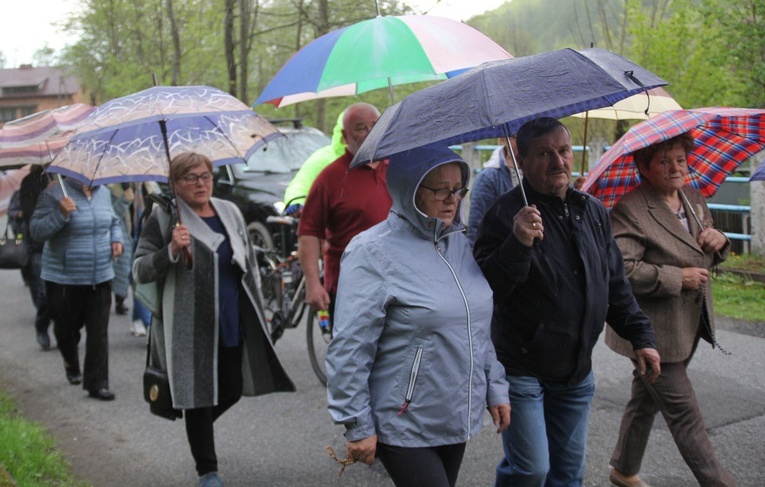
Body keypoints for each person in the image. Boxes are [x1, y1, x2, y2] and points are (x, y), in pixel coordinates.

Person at [472, 117, 661, 487]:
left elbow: (614, 283)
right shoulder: (504, 214)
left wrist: (641, 336)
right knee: (530, 469)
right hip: (522, 367)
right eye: (544, 154)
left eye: (563, 150)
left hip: (576, 368)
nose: (558, 161)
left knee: (568, 474)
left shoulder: (591, 210)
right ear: (521, 161)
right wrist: (517, 244)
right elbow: (486, 291)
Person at [326, 144, 511, 487]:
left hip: (454, 413)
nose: (451, 199)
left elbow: (476, 322)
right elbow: (350, 346)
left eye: (458, 189)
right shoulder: (372, 252)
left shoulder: (457, 243)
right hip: (403, 419)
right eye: (440, 189)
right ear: (408, 188)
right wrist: (357, 424)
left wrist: (495, 386)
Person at [132, 152, 295, 487]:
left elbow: (248, 263)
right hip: (187, 326)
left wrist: (261, 308)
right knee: (198, 395)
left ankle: (196, 418)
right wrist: (171, 252)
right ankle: (208, 470)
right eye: (190, 178)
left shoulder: (229, 211)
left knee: (231, 389)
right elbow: (139, 270)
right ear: (174, 185)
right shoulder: (163, 217)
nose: (201, 183)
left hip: (231, 317)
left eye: (205, 175)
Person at [605, 133, 736, 487]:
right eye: (664, 161)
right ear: (643, 168)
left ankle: (623, 468)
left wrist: (719, 242)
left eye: (680, 159)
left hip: (688, 324)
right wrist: (676, 278)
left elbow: (704, 251)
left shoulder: (693, 199)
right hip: (651, 332)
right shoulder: (630, 209)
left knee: (645, 399)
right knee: (685, 415)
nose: (675, 167)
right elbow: (622, 270)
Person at [30, 176, 123, 401]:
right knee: (65, 330)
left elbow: (113, 222)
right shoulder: (53, 194)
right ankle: (71, 362)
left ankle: (97, 383)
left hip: (100, 275)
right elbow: (36, 231)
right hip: (63, 278)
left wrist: (116, 239)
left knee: (98, 331)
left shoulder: (104, 193)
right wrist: (60, 214)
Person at [297, 102, 391, 325]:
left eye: (375, 126)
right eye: (360, 128)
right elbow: (308, 234)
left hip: (395, 284)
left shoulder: (397, 169)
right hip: (350, 288)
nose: (370, 134)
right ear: (344, 136)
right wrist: (312, 283)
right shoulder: (330, 178)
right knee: (353, 358)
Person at [283, 111, 346, 216]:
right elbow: (301, 183)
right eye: (359, 128)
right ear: (343, 133)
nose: (366, 134)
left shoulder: (379, 159)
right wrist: (296, 203)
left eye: (372, 127)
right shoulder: (324, 158)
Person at [18, 165, 52, 350]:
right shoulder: (30, 182)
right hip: (38, 245)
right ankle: (42, 327)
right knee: (44, 291)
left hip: (61, 244)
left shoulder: (64, 180)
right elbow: (29, 214)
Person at [466, 135, 521, 246]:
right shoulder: (487, 179)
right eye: (516, 136)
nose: (524, 140)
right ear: (504, 139)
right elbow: (476, 228)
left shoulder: (538, 172)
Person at [110, 184, 135, 318]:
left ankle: (121, 299)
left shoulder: (136, 187)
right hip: (117, 235)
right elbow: (112, 214)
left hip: (130, 232)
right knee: (121, 269)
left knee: (124, 270)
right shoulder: (109, 190)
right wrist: (124, 199)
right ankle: (118, 300)